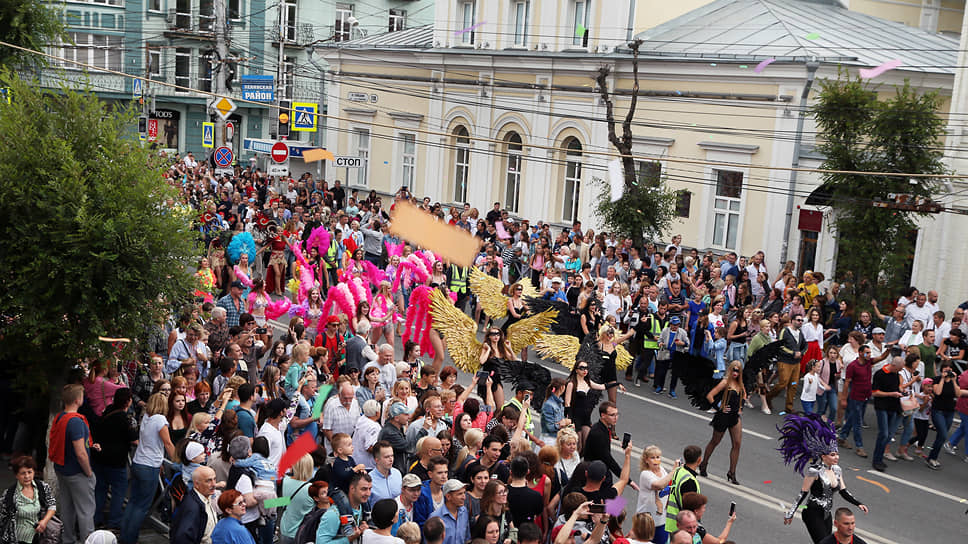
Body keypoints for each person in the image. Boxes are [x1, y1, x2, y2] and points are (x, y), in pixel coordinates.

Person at [778, 413, 868, 543]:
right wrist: (791, 513)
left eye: (837, 454)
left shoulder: (837, 470)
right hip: (812, 513)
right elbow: (802, 493)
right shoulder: (814, 471)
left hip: (827, 514)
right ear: (823, 456)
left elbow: (844, 491)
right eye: (832, 455)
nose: (836, 457)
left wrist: (858, 503)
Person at [49, 384, 97, 544]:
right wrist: (89, 472)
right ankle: (87, 541)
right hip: (77, 472)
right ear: (78, 400)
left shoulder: (60, 417)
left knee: (67, 508)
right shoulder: (76, 422)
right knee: (86, 511)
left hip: (62, 469)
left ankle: (67, 539)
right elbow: (80, 453)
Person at [91, 388, 137, 530]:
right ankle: (115, 521)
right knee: (119, 490)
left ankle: (96, 518)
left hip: (99, 457)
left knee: (100, 489)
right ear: (128, 401)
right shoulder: (125, 418)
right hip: (116, 460)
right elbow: (134, 440)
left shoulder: (108, 410)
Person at [699, 361, 746, 485]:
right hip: (723, 417)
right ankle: (704, 464)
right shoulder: (725, 382)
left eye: (738, 371)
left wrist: (740, 407)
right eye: (733, 370)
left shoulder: (740, 384)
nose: (735, 373)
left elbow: (744, 397)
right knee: (715, 441)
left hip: (734, 417)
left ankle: (732, 472)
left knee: (737, 444)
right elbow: (710, 395)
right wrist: (719, 407)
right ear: (730, 370)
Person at [0, 455, 57, 544]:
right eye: (23, 473)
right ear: (16, 475)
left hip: (40, 537)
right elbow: (2, 518)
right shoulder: (9, 495)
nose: (27, 476)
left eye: (29, 472)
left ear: (34, 472)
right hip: (18, 539)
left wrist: (44, 521)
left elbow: (52, 505)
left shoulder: (42, 487)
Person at [582, 401, 632, 487]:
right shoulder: (598, 433)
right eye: (612, 415)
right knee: (613, 497)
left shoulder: (603, 428)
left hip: (601, 470)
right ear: (603, 415)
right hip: (596, 474)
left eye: (617, 414)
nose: (616, 418)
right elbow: (608, 459)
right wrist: (628, 481)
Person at [636, 446, 678, 544]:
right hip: (646, 521)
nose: (656, 460)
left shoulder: (662, 470)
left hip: (661, 520)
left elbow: (669, 482)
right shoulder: (645, 474)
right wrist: (673, 470)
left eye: (658, 457)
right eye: (652, 457)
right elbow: (659, 485)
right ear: (646, 460)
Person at [838, 345, 873, 458]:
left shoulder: (868, 362)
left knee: (854, 417)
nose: (869, 355)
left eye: (870, 352)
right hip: (856, 397)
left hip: (865, 396)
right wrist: (843, 399)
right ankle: (859, 446)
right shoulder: (852, 366)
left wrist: (888, 350)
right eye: (867, 352)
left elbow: (881, 358)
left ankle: (842, 437)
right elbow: (847, 383)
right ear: (860, 353)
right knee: (857, 422)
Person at [316, 472, 372, 544]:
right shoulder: (333, 514)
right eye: (364, 489)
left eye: (370, 489)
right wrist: (348, 539)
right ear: (352, 488)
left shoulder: (365, 510)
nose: (368, 493)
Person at [925, 361, 962, 469]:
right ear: (942, 370)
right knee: (943, 434)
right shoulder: (936, 380)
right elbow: (938, 392)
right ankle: (932, 458)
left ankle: (932, 457)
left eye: (949, 369)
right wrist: (942, 378)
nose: (947, 371)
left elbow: (958, 394)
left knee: (941, 437)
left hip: (949, 411)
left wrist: (954, 381)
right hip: (938, 411)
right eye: (945, 369)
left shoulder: (954, 381)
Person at [767, 315, 807, 414]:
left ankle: (789, 407)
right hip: (785, 361)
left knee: (793, 384)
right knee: (783, 383)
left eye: (801, 320)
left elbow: (805, 345)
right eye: (798, 320)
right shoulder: (785, 331)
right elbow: (780, 345)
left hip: (796, 363)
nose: (800, 322)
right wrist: (793, 353)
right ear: (792, 321)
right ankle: (769, 397)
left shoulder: (800, 332)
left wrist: (801, 353)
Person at [870, 357, 903, 472]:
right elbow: (875, 392)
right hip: (882, 406)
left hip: (892, 407)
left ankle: (880, 457)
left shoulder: (895, 374)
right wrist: (891, 394)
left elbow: (895, 387)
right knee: (883, 433)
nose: (900, 371)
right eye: (899, 369)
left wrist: (900, 392)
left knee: (888, 434)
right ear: (893, 366)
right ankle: (877, 459)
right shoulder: (880, 374)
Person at [170, 466, 218, 544]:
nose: (214, 484)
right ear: (196, 484)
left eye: (214, 479)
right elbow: (182, 538)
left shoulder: (205, 497)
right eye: (208, 481)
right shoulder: (192, 508)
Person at [278, 454, 316, 544]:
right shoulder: (311, 489)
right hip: (303, 533)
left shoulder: (285, 481)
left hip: (285, 530)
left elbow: (283, 501)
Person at [664, 445, 702, 535]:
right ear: (699, 460)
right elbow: (689, 508)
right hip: (683, 528)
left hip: (672, 524)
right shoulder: (689, 481)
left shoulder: (679, 471)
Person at [655, 316, 690, 398]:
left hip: (677, 354)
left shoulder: (682, 332)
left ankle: (672, 390)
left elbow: (688, 343)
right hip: (666, 352)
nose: (675, 326)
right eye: (674, 325)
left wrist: (683, 344)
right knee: (662, 371)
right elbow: (660, 340)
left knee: (675, 374)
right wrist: (660, 343)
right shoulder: (665, 330)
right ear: (670, 324)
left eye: (677, 325)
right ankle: (660, 386)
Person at [432, 480, 471, 544]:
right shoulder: (435, 517)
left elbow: (467, 538)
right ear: (448, 496)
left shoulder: (464, 512)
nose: (464, 497)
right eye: (460, 494)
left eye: (464, 493)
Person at [368, 441, 402, 506]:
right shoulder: (369, 479)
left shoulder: (397, 474)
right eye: (387, 457)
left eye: (392, 456)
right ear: (376, 460)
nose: (391, 459)